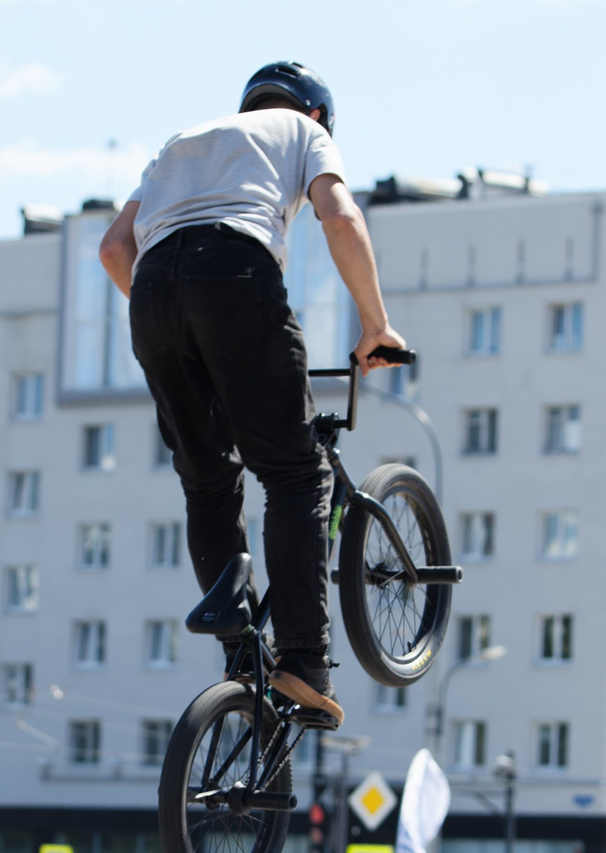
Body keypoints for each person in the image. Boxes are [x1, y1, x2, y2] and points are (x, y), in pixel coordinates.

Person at [100, 60, 406, 727]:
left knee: (208, 480)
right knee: (296, 472)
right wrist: (375, 325)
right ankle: (303, 660)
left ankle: (241, 654)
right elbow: (340, 218)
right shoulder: (303, 131)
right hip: (234, 271)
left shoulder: (183, 142)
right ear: (318, 114)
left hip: (151, 294)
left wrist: (176, 319)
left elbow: (114, 248)